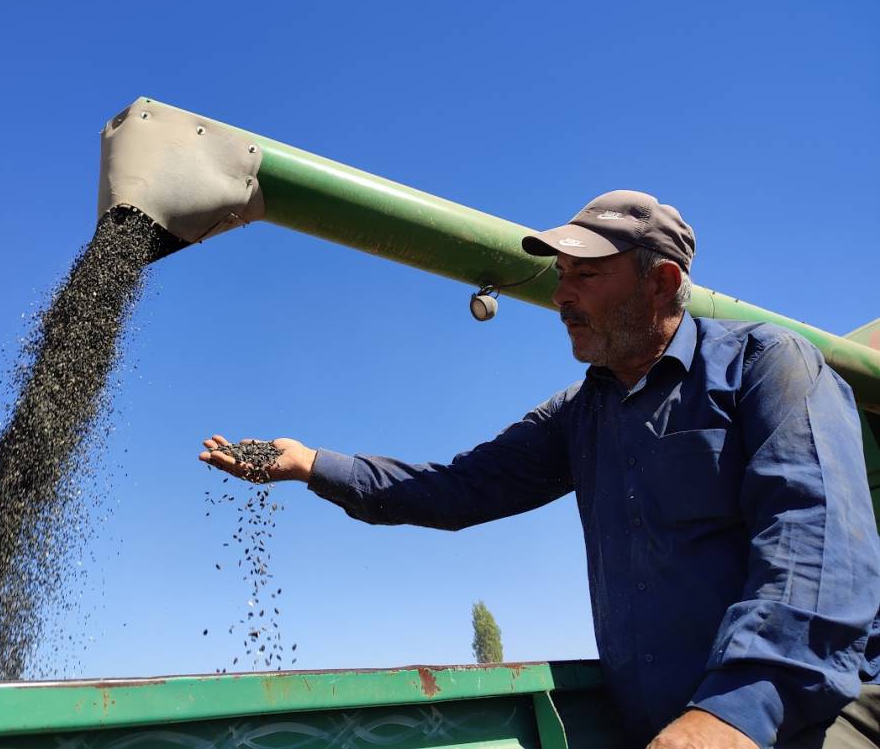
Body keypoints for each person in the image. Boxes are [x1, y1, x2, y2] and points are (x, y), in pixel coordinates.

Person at [199, 190, 880, 749]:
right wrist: (310, 463)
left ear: (661, 282)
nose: (561, 294)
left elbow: (814, 554)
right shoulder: (580, 415)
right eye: (560, 274)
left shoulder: (769, 366)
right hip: (669, 728)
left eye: (585, 273)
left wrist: (732, 715)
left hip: (807, 717)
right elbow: (457, 488)